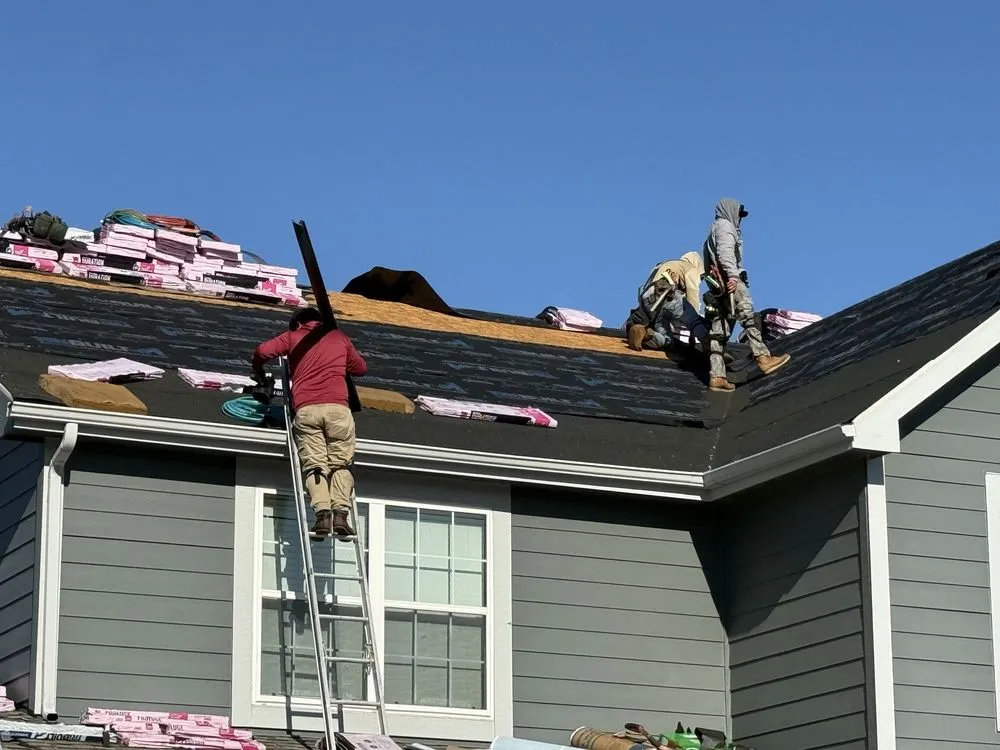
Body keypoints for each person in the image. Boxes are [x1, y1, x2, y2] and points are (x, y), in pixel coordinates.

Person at [252, 307, 368, 539]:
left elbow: (262, 351)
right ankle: (341, 516)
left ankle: (323, 514)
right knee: (341, 465)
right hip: (338, 410)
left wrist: (257, 369)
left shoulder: (293, 336)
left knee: (315, 464)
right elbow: (360, 369)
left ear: (297, 323)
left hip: (307, 410)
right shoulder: (338, 337)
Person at [702, 198, 790, 392]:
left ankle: (717, 375)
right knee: (748, 316)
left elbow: (708, 261)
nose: (740, 219)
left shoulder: (713, 230)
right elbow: (725, 252)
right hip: (730, 281)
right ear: (729, 211)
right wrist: (733, 276)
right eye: (739, 214)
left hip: (719, 287)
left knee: (719, 331)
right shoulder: (725, 227)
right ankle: (763, 358)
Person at [626, 251, 711, 353]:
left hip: (648, 300)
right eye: (701, 277)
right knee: (694, 320)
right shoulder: (690, 268)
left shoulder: (665, 264)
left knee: (667, 341)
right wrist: (694, 320)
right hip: (665, 294)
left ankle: (644, 334)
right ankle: (710, 347)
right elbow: (693, 297)